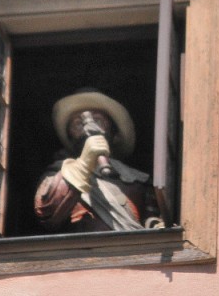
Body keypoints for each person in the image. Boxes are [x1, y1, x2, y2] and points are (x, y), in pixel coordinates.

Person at [34, 89, 161, 232]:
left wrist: (156, 225)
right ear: (70, 137)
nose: (89, 127)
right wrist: (84, 164)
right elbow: (46, 211)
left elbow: (152, 218)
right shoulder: (59, 174)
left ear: (114, 133)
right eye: (78, 123)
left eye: (98, 120)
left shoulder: (138, 180)